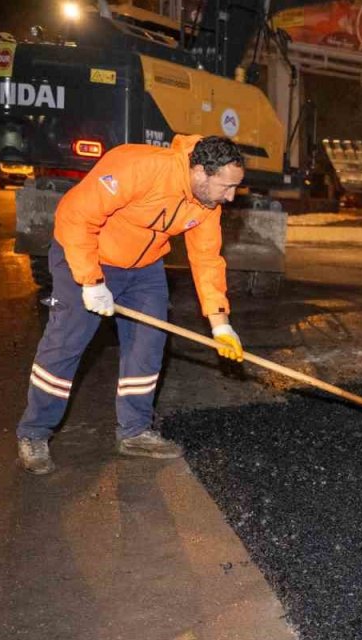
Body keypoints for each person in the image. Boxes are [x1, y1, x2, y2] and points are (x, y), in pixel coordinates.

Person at [14, 135, 246, 475]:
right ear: (200, 171)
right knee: (67, 342)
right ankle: (34, 433)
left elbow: (207, 259)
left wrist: (220, 323)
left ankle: (135, 432)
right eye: (226, 186)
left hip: (144, 267)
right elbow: (76, 215)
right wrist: (91, 282)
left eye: (235, 187)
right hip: (85, 252)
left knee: (148, 344)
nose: (231, 196)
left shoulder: (207, 204)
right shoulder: (139, 166)